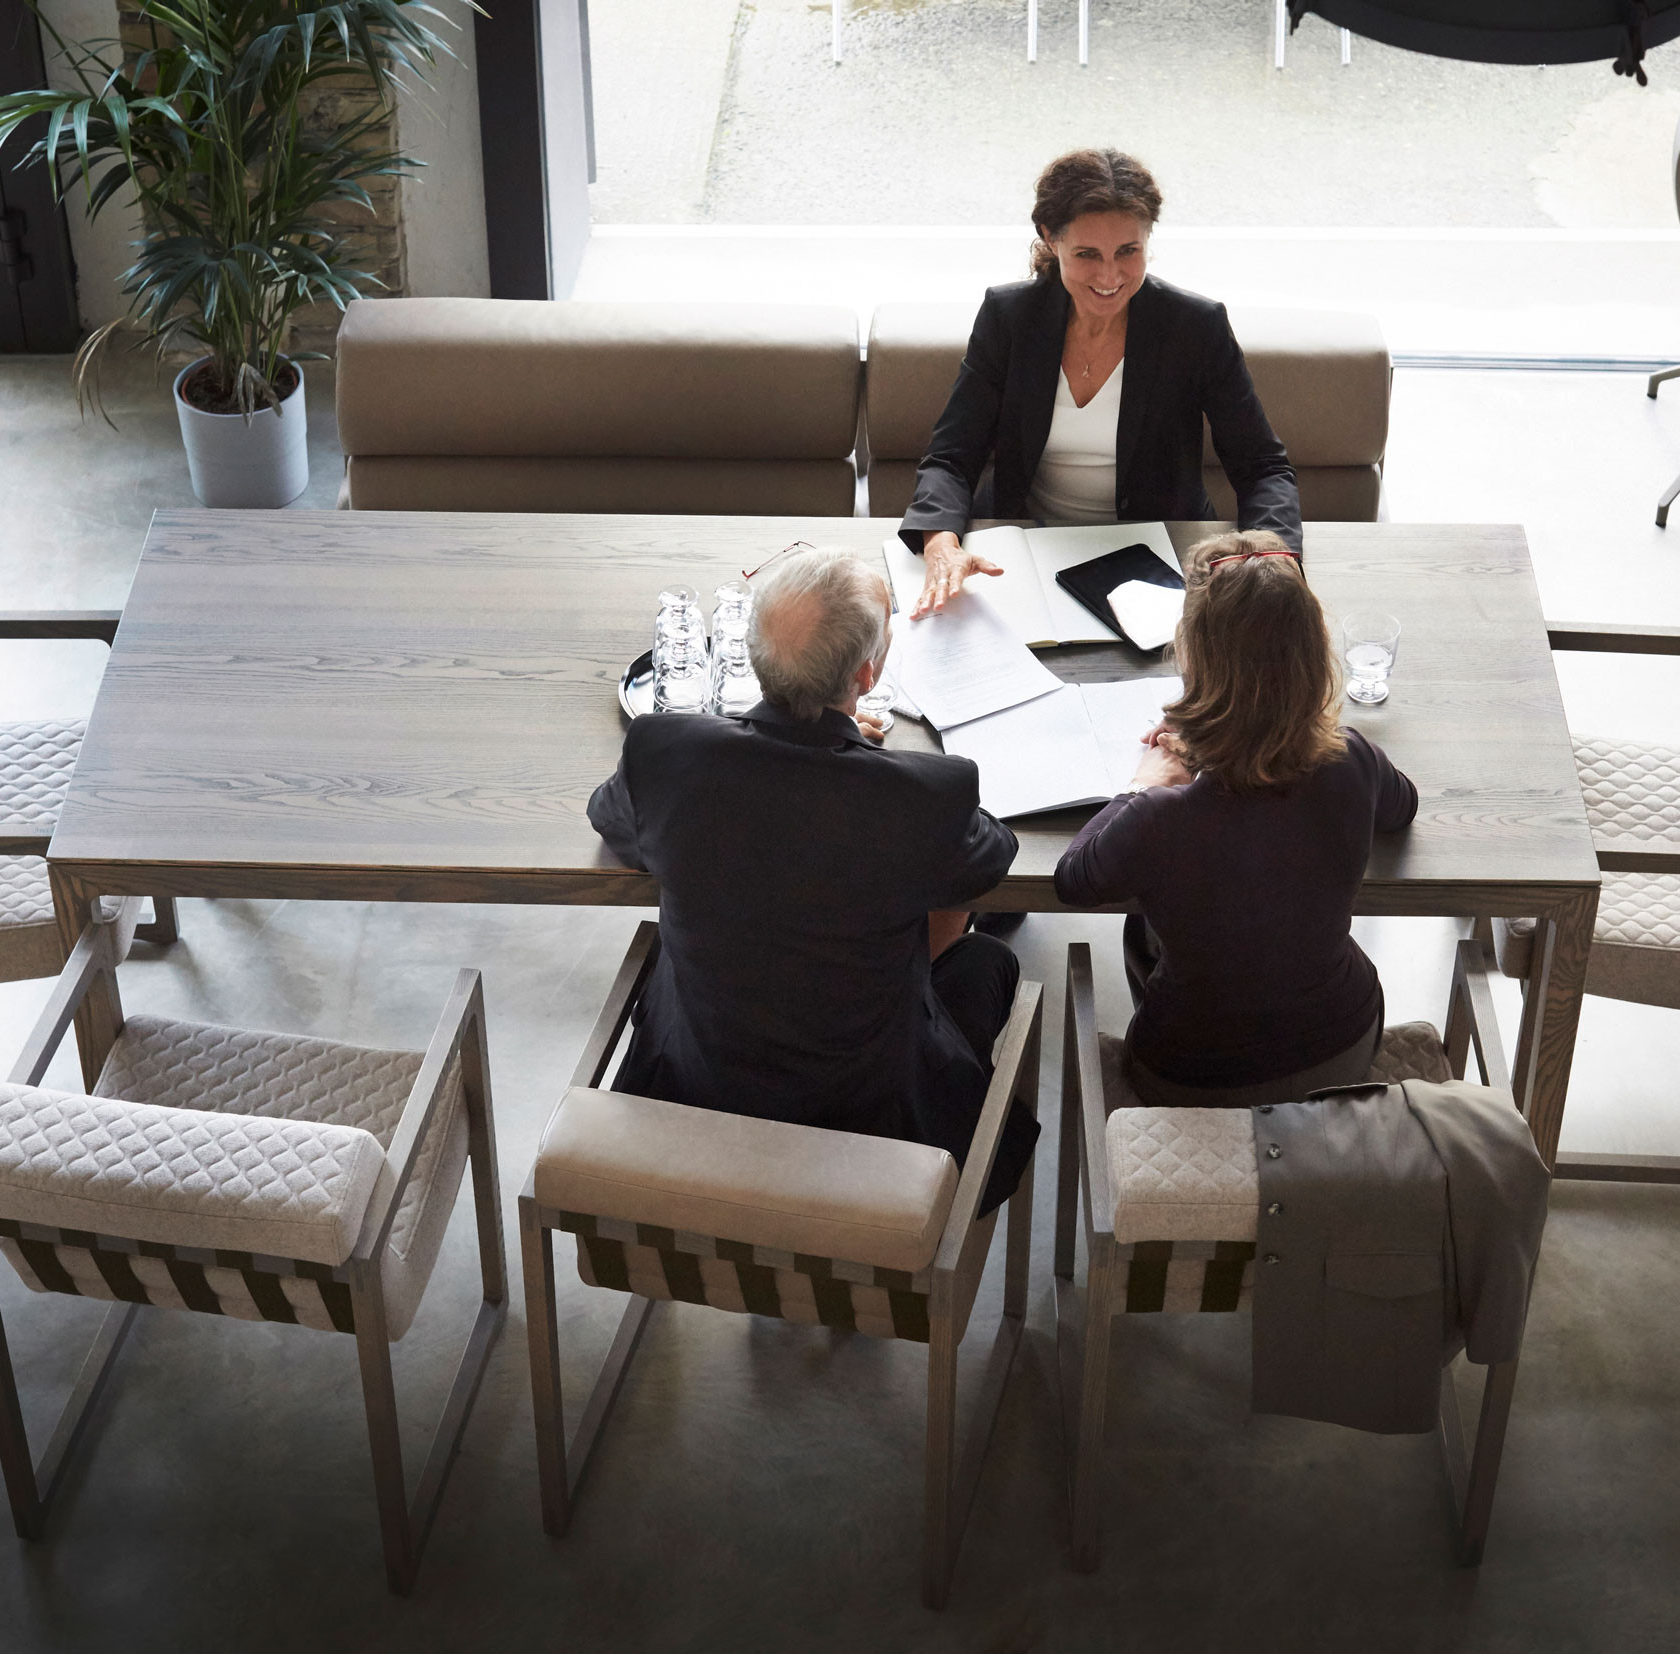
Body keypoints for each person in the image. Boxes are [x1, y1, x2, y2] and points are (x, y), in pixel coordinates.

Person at [586, 547, 1038, 1206]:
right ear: (866, 671)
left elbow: (612, 816)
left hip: (693, 1097)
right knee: (988, 958)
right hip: (876, 1135)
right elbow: (991, 854)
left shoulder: (668, 754)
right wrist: (863, 757)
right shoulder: (923, 796)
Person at [1053, 533, 1416, 1106]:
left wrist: (1145, 782)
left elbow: (1073, 879)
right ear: (1311, 653)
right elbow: (1403, 809)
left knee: (1142, 930)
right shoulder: (1354, 757)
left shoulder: (1156, 819)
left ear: (1193, 655)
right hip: (1344, 1047)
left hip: (1189, 1079)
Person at [900, 147, 1304, 617]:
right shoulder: (1009, 317)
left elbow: (1263, 468)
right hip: (1026, 550)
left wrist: (1275, 561)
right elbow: (952, 456)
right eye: (1088, 254)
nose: (1110, 275)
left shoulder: (1194, 326)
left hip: (1161, 555)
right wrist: (941, 543)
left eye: (1128, 251)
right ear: (1050, 239)